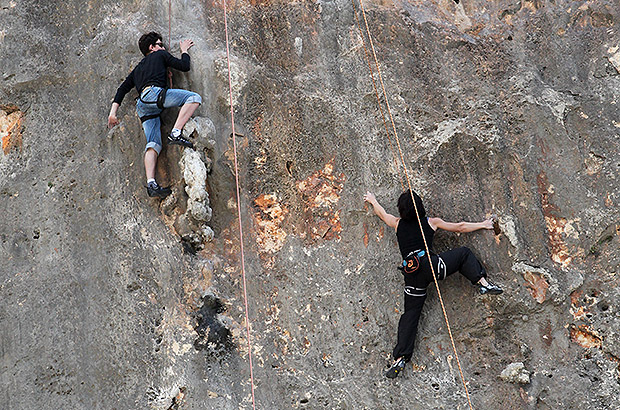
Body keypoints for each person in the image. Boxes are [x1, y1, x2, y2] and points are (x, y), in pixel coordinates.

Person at [363, 190, 503, 379]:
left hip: (412, 275)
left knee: (410, 315)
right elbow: (460, 227)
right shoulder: (431, 222)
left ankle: (400, 358)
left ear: (402, 210)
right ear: (420, 207)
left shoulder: (397, 224)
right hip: (431, 267)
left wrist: (373, 200)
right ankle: (482, 283)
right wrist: (484, 225)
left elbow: (382, 214)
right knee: (463, 254)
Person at [107, 32, 202, 198]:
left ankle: (151, 183)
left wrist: (113, 113)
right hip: (153, 95)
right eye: (160, 44)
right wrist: (184, 50)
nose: (163, 47)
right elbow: (184, 66)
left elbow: (122, 89)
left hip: (143, 105)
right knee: (194, 98)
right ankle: (176, 132)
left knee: (154, 143)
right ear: (152, 47)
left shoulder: (138, 69)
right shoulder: (160, 54)